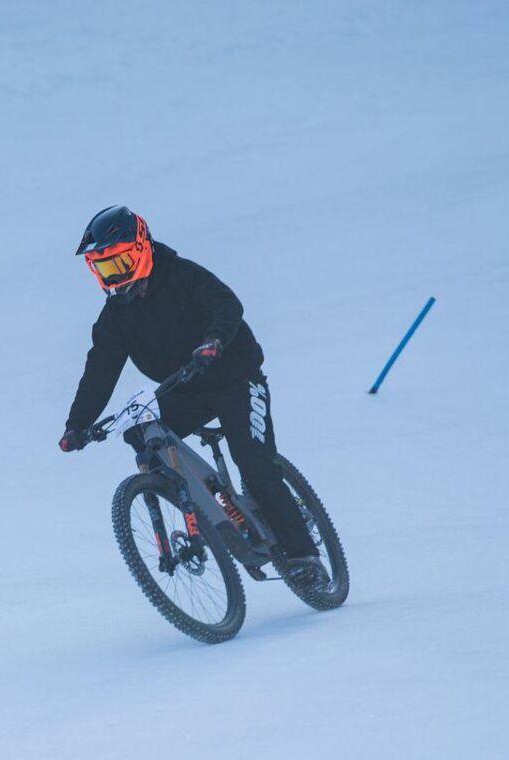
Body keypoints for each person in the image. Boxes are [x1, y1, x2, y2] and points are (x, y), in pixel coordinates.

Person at [57, 205, 325, 586]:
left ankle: (304, 555)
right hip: (187, 389)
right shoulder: (116, 316)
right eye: (105, 269)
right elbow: (99, 369)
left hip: (236, 378)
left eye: (119, 264)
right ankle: (206, 509)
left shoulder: (181, 275)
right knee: (141, 433)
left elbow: (227, 304)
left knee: (254, 464)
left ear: (142, 248)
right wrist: (77, 426)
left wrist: (214, 341)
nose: (114, 278)